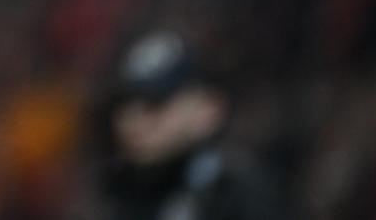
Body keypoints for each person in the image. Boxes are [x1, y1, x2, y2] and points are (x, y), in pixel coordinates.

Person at [97, 31, 290, 220]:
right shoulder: (117, 190)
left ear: (208, 110)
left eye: (155, 104)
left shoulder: (239, 196)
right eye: (122, 105)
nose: (131, 121)